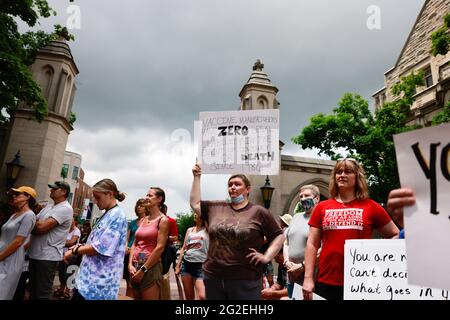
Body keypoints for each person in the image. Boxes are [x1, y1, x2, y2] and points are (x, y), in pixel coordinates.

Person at [303, 158, 400, 300]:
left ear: (357, 177)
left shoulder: (371, 206)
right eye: (339, 172)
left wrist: (377, 254)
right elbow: (312, 244)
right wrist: (308, 278)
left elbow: (396, 235)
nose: (342, 175)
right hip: (326, 281)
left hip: (361, 282)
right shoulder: (322, 207)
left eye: (348, 172)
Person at [190, 163, 285, 300]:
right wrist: (197, 177)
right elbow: (195, 204)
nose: (232, 187)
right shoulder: (216, 207)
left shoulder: (259, 212)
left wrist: (266, 257)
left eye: (237, 184)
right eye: (230, 184)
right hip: (213, 277)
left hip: (245, 279)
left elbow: (279, 236)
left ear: (247, 189)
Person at [64, 179, 128, 300]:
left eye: (98, 197)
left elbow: (101, 248)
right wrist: (79, 247)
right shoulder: (108, 213)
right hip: (88, 281)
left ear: (109, 194)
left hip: (99, 286)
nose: (95, 201)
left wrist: (75, 250)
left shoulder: (117, 216)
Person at [28, 181, 73, 300]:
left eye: (54, 189)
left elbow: (40, 228)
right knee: (32, 291)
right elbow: (33, 221)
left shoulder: (65, 208)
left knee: (42, 293)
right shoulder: (49, 206)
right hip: (36, 254)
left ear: (63, 192)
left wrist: (35, 224)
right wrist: (35, 223)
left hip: (47, 257)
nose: (51, 190)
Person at [128, 187, 170, 300]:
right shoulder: (142, 220)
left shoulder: (163, 220)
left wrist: (143, 270)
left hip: (150, 269)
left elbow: (160, 247)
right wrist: (130, 264)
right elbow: (134, 244)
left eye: (150, 195)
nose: (146, 198)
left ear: (159, 199)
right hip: (135, 266)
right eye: (146, 195)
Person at [283, 184, 320, 298]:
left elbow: (322, 248)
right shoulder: (296, 217)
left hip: (310, 280)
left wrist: (301, 266)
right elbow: (286, 243)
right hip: (291, 277)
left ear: (317, 198)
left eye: (307, 195)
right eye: (301, 196)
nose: (303, 199)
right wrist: (286, 261)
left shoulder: (321, 218)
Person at [0, 187, 37, 300]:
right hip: (3, 255)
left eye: (18, 194)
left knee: (2, 292)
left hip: (11, 258)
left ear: (27, 197)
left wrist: (0, 257)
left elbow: (18, 241)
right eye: (14, 194)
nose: (14, 196)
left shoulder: (29, 215)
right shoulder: (14, 215)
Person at [175, 212, 209, 300]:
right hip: (186, 266)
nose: (195, 214)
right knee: (189, 297)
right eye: (194, 212)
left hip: (201, 266)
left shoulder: (207, 229)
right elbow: (183, 248)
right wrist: (178, 266)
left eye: (197, 213)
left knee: (202, 296)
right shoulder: (189, 230)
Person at [124, 198, 146, 297]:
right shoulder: (132, 222)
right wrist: (126, 246)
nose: (138, 207)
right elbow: (127, 237)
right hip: (129, 253)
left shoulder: (148, 221)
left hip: (142, 254)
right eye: (137, 205)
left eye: (141, 205)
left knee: (141, 282)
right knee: (129, 281)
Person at [54, 218, 80, 299]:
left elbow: (71, 243)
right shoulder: (66, 230)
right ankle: (61, 290)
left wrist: (60, 243)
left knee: (69, 273)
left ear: (75, 222)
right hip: (62, 254)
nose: (70, 223)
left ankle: (67, 292)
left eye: (72, 221)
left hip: (72, 256)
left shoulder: (77, 231)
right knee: (61, 273)